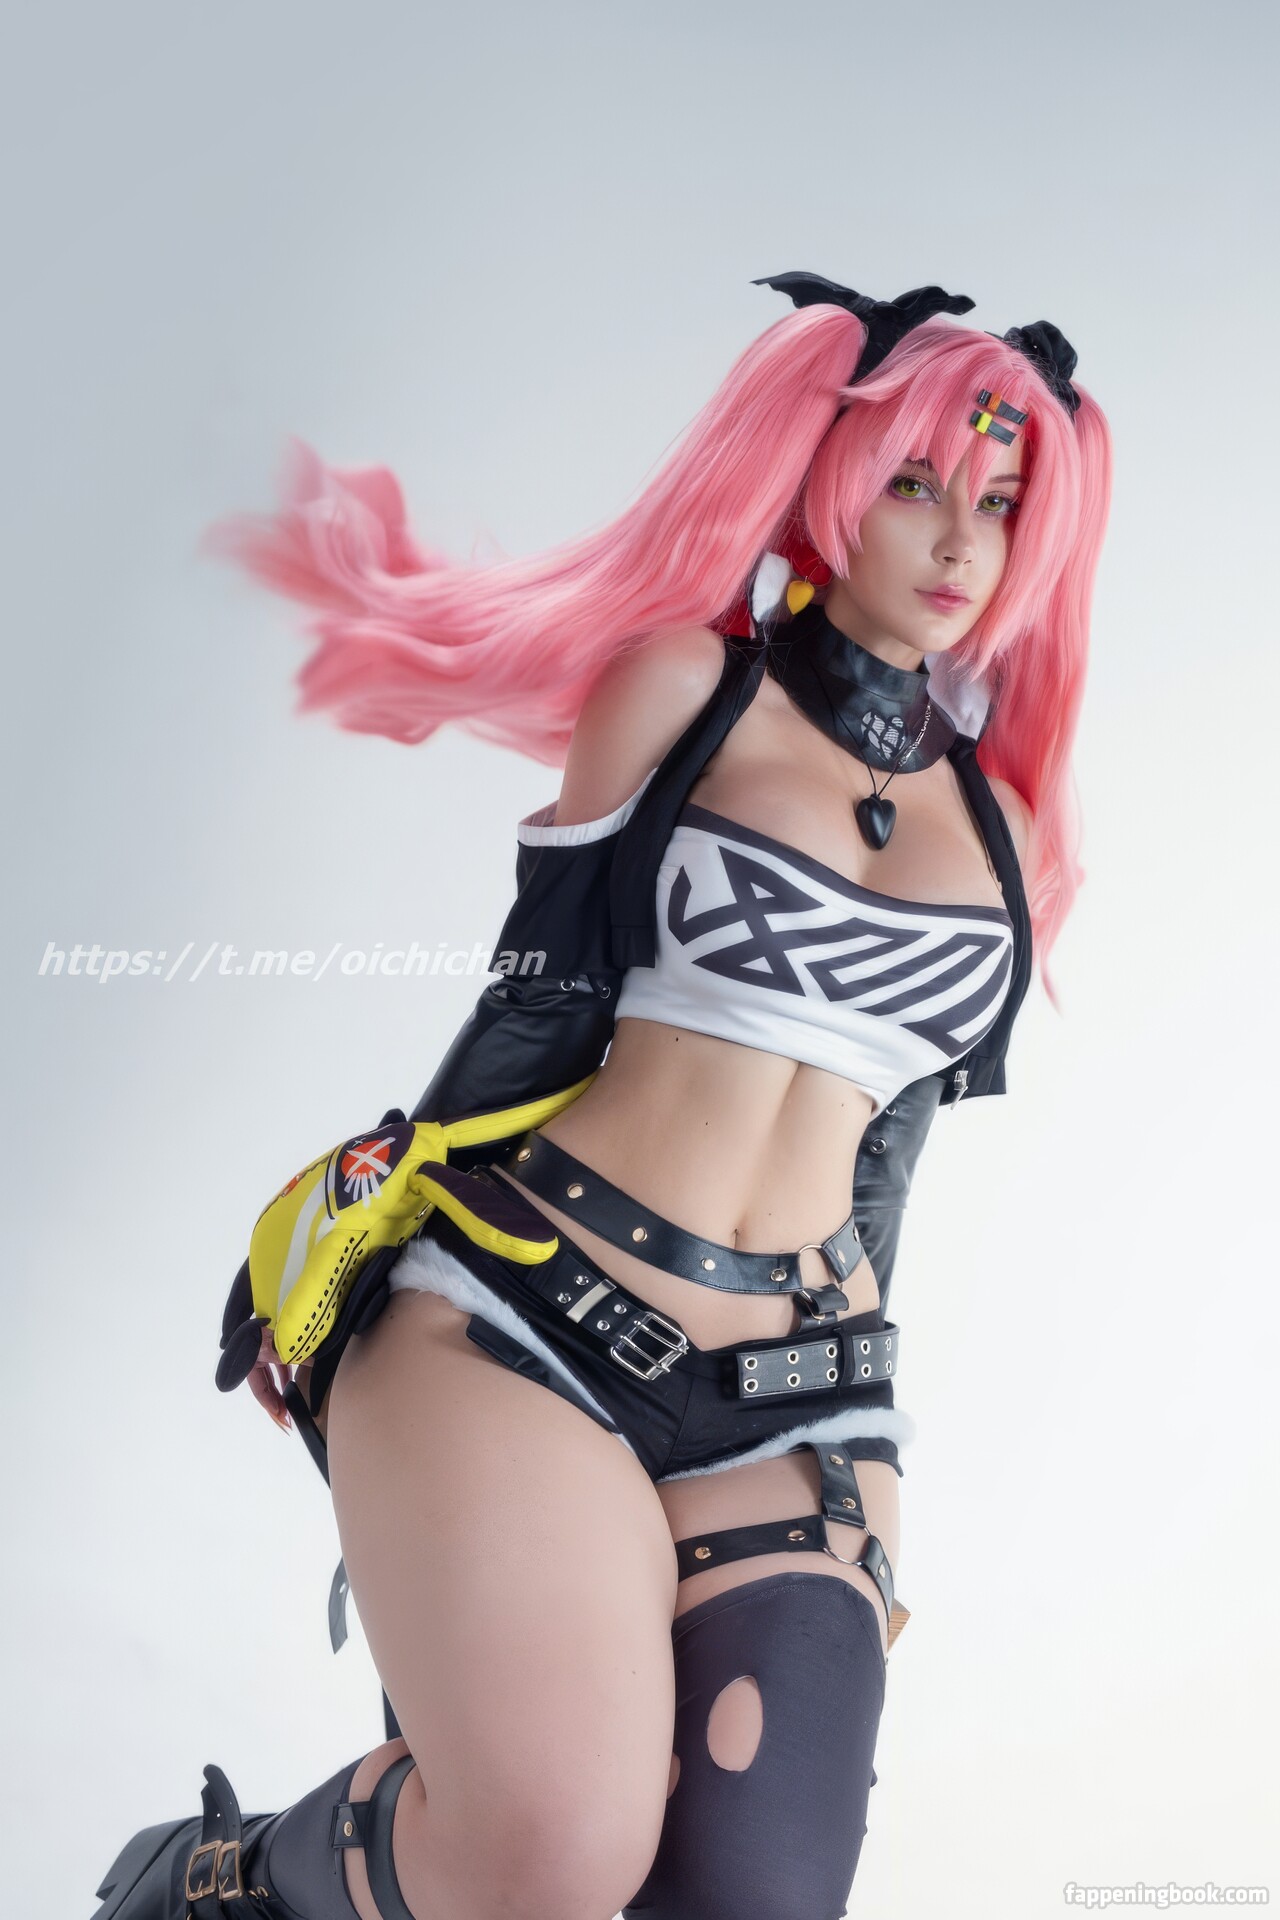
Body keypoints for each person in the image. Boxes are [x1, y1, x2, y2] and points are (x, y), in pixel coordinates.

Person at [91, 273, 1112, 1920]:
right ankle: (212, 1882)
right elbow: (538, 1006)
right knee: (554, 1856)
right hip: (532, 1316)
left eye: (999, 503)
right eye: (916, 483)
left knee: (752, 1898)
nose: (956, 540)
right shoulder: (686, 695)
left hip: (800, 1395)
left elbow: (889, 1156)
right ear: (834, 480)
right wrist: (356, 1231)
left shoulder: (1011, 832)